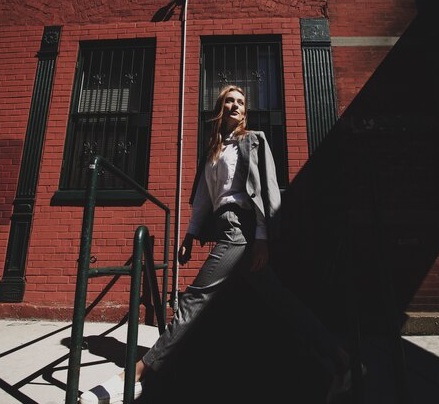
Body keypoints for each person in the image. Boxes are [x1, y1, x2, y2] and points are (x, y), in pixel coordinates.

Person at [79, 85, 353, 404]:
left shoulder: (254, 140)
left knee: (194, 299)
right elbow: (202, 199)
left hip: (242, 228)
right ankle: (344, 362)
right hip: (225, 227)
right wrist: (190, 236)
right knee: (282, 302)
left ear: (244, 112)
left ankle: (136, 374)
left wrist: (262, 238)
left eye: (241, 102)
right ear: (220, 108)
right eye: (229, 100)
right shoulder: (214, 150)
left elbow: (267, 190)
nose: (235, 105)